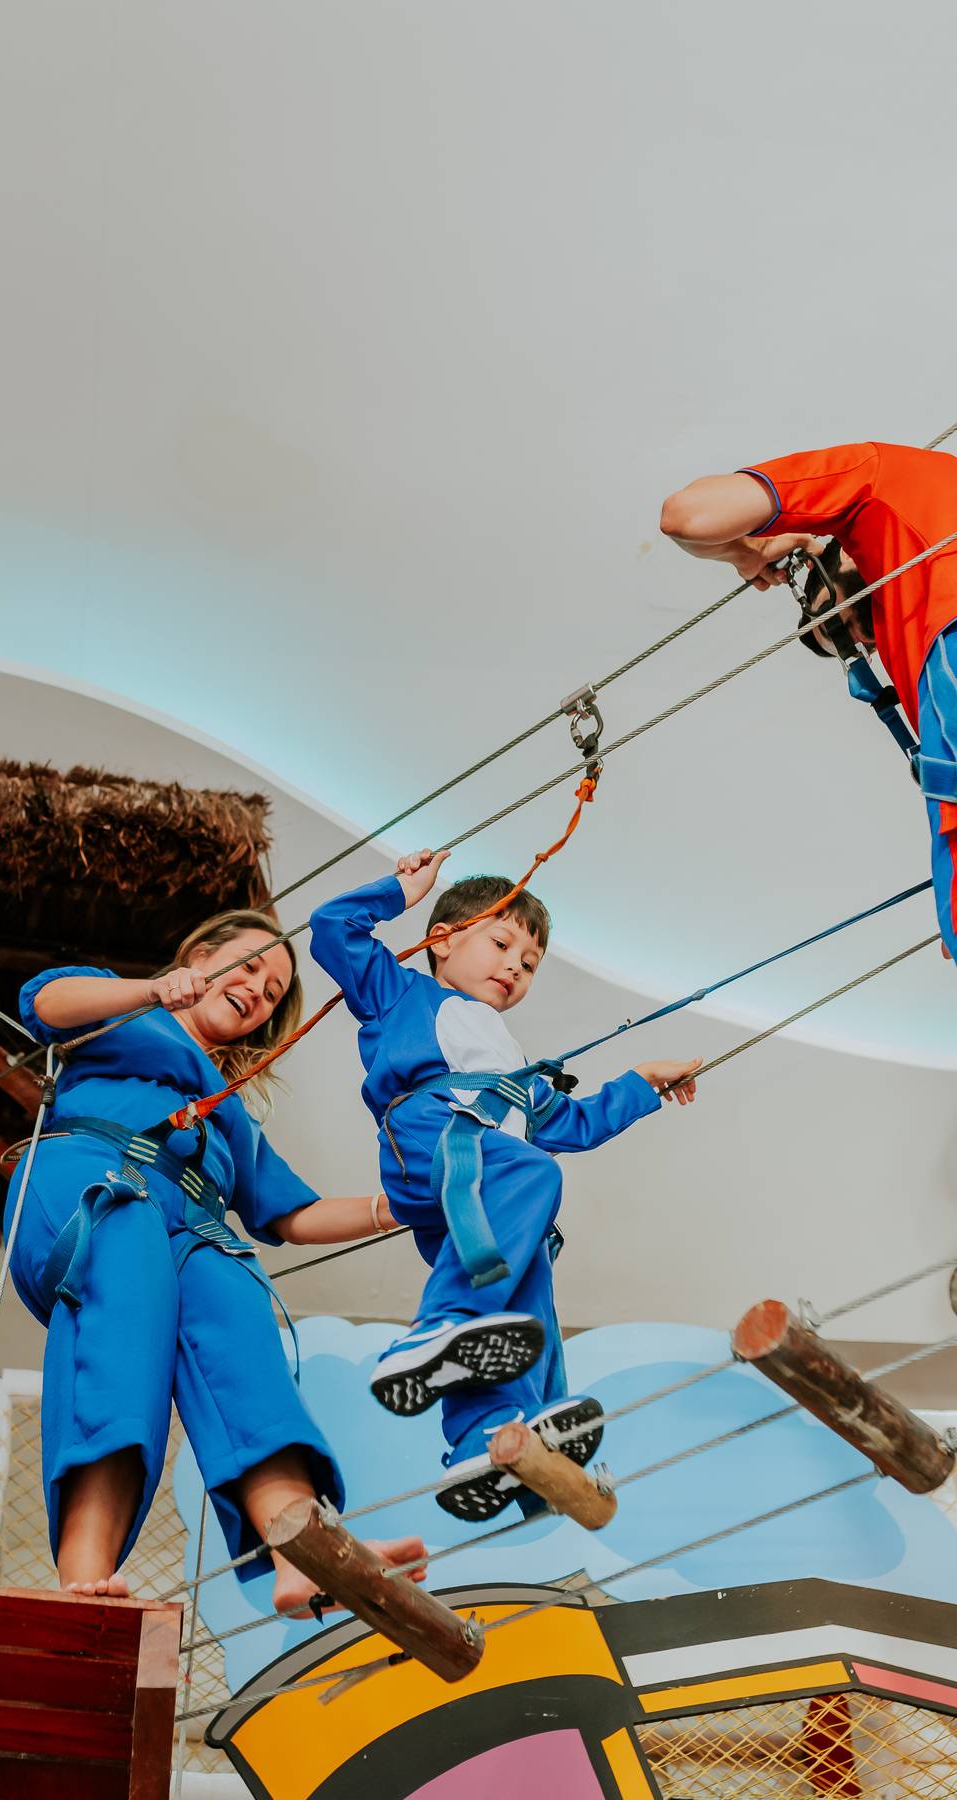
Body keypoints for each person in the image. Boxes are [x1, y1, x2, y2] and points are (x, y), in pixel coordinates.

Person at [5, 909, 425, 1614]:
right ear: (201, 956)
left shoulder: (229, 1113)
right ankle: (82, 1572)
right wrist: (152, 990)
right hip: (92, 1183)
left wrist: (402, 1206)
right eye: (251, 967)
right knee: (129, 1264)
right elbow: (47, 1002)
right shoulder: (122, 1016)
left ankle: (303, 1548)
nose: (260, 992)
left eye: (272, 993)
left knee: (231, 1295)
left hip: (186, 1227)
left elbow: (292, 1214)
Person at [309, 853, 700, 1522]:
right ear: (443, 940)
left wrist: (643, 1083)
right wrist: (405, 891)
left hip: (479, 1198)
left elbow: (574, 1123)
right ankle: (435, 1330)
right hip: (433, 1139)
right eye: (501, 942)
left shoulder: (512, 1063)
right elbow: (332, 926)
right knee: (533, 1172)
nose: (516, 965)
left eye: (530, 961)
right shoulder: (401, 992)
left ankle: (491, 1439)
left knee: (524, 1308)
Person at [660, 441, 957, 961]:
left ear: (826, 554)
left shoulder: (876, 473)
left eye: (828, 615)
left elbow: (686, 516)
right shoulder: (907, 627)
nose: (861, 643)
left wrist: (744, 551)